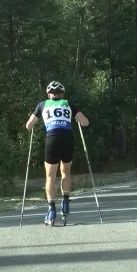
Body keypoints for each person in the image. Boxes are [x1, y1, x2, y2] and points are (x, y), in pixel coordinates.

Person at [25, 81, 89, 225]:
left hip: (52, 138)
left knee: (50, 176)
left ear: (49, 94)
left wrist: (33, 119)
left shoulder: (42, 105)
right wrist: (77, 118)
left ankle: (51, 210)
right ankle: (65, 203)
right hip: (67, 138)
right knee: (66, 172)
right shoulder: (68, 103)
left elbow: (28, 126)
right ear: (62, 94)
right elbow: (85, 122)